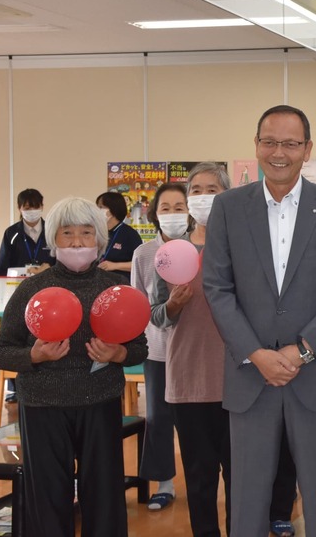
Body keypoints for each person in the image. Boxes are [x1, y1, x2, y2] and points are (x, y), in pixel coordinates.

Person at [203, 104, 316, 537]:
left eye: (290, 144)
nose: (279, 152)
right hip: (250, 377)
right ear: (256, 146)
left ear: (307, 149)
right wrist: (256, 353)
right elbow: (217, 288)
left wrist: (303, 349)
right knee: (247, 497)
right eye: (270, 142)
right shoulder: (228, 208)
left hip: (313, 377)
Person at [0, 196, 148, 537]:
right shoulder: (33, 289)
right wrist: (34, 356)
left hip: (100, 404)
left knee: (104, 496)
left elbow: (139, 348)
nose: (77, 242)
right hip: (43, 407)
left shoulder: (115, 289)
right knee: (46, 497)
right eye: (67, 233)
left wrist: (118, 354)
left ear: (99, 239)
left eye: (87, 233)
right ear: (53, 240)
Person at [152, 163, 232, 536]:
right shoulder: (172, 254)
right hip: (188, 382)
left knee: (241, 479)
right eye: (196, 190)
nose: (203, 197)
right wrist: (173, 306)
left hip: (240, 380)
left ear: (227, 194)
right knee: (199, 481)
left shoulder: (242, 248)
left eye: (211, 189)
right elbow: (156, 315)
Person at [131, 182, 188, 511]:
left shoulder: (201, 248)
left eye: (178, 207)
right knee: (158, 418)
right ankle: (164, 483)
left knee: (198, 420)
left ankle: (204, 478)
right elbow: (138, 305)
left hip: (195, 352)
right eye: (165, 208)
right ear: (155, 214)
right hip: (158, 351)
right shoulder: (144, 254)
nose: (172, 214)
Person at [0, 188, 55, 280]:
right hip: (19, 287)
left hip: (48, 287)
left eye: (36, 207)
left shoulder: (52, 231)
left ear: (42, 207)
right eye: (27, 208)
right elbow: (1, 269)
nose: (32, 211)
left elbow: (62, 263)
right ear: (19, 208)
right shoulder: (11, 233)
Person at [96, 191, 144, 280]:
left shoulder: (129, 234)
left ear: (113, 209)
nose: (97, 211)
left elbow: (141, 264)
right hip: (99, 282)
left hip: (121, 283)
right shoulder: (97, 232)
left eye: (101, 207)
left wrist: (115, 266)